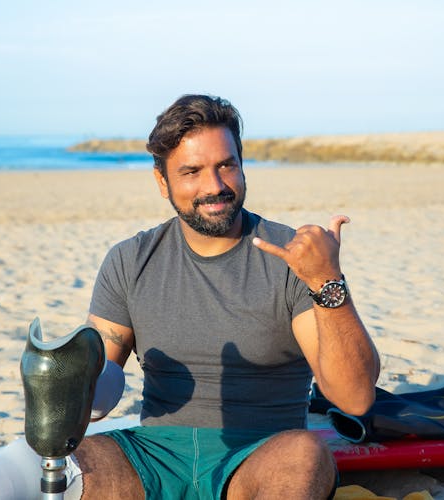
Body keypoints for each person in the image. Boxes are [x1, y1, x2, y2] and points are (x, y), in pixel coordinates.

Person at [74, 94, 380, 500]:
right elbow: (99, 397)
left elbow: (354, 397)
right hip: (157, 454)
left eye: (226, 165)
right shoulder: (130, 260)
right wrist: (66, 378)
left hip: (262, 455)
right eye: (192, 172)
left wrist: (326, 280)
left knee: (306, 454)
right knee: (80, 459)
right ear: (162, 181)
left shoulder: (293, 257)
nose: (214, 186)